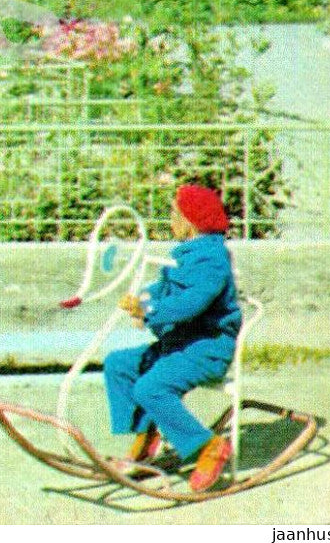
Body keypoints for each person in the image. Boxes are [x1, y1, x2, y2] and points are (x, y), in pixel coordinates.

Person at [103, 184, 243, 492]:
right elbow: (166, 289)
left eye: (173, 215)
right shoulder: (187, 253)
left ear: (190, 221)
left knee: (151, 387)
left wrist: (150, 309)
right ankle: (147, 433)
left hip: (205, 348)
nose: (170, 221)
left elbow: (191, 302)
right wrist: (142, 297)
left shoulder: (211, 259)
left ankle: (207, 446)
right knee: (119, 364)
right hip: (179, 344)